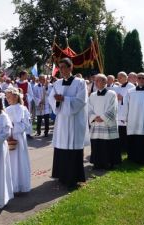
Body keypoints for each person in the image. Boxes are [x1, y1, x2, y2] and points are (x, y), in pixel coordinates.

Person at [48, 58, 88, 189]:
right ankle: (62, 175)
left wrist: (64, 99)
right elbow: (51, 98)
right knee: (61, 147)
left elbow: (81, 101)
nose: (61, 70)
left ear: (71, 68)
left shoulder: (80, 82)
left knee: (73, 148)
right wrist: (57, 101)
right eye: (60, 67)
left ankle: (74, 177)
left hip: (75, 121)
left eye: (64, 67)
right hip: (62, 121)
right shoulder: (57, 83)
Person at [88, 74, 120, 170]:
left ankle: (109, 163)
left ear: (105, 82)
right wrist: (94, 117)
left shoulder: (112, 94)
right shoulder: (92, 95)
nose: (96, 82)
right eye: (95, 80)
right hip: (96, 124)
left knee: (108, 144)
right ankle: (97, 163)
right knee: (96, 144)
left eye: (98, 80)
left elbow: (113, 108)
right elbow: (89, 109)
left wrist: (103, 117)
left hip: (107, 124)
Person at [5, 87, 31, 193]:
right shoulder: (6, 109)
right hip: (9, 137)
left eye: (9, 97)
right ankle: (12, 185)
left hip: (19, 138)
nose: (7, 99)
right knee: (11, 161)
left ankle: (20, 184)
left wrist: (13, 126)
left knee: (19, 160)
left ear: (16, 96)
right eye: (6, 97)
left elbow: (26, 125)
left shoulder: (23, 109)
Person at [115, 71, 135, 157]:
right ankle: (120, 146)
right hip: (119, 111)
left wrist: (122, 98)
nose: (118, 79)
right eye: (118, 77)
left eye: (120, 77)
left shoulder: (131, 86)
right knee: (120, 130)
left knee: (126, 131)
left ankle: (126, 147)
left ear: (125, 77)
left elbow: (133, 99)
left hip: (127, 111)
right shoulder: (118, 87)